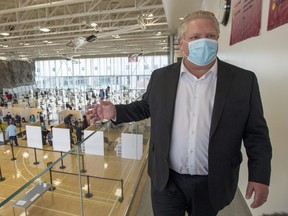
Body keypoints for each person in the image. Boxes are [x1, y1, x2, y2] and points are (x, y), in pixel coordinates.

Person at [86, 10, 272, 216]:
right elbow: (146, 107)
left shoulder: (243, 81)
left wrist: (260, 175)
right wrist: (115, 111)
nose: (204, 42)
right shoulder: (161, 77)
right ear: (182, 43)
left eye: (210, 36)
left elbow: (256, 133)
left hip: (212, 182)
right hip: (167, 181)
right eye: (195, 37)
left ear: (218, 38)